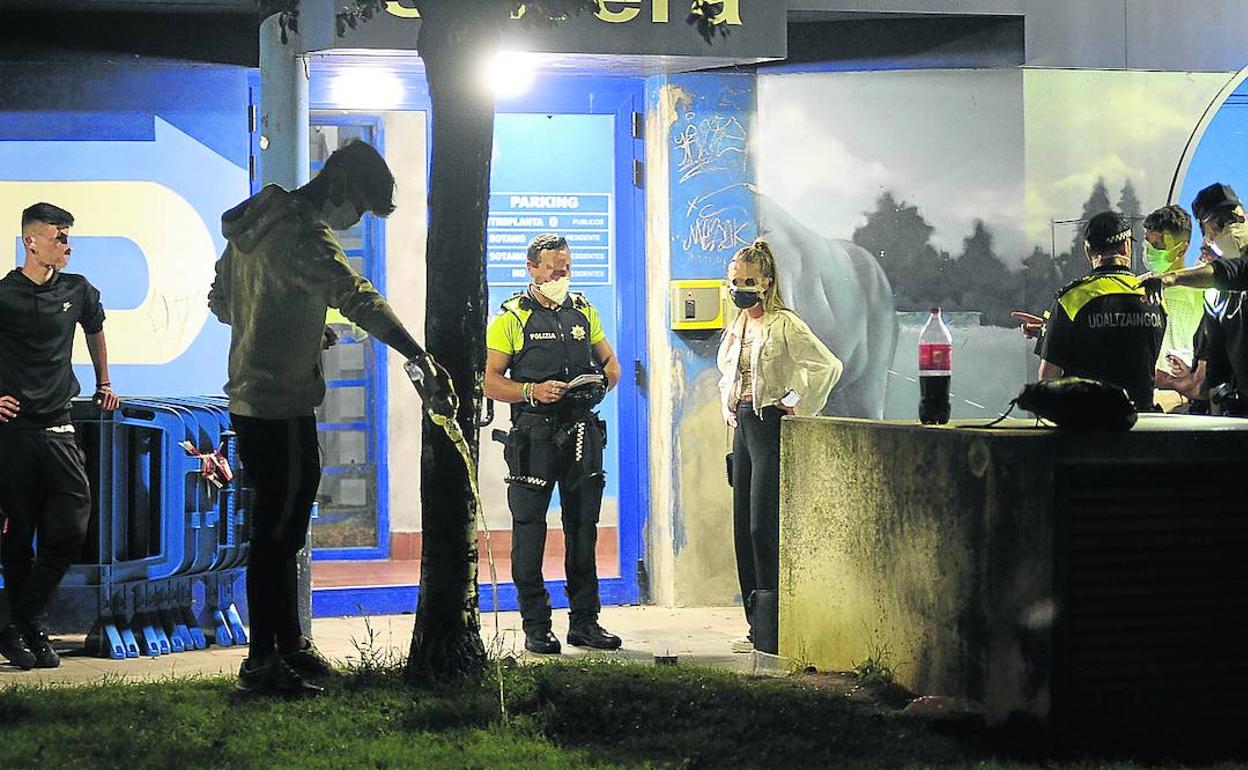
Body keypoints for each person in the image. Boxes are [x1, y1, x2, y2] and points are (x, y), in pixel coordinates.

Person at [209, 139, 453, 694]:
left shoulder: (256, 224)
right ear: (341, 186)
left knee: (282, 529)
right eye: (361, 207)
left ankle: (290, 647)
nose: (355, 220)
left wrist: (297, 326)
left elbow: (223, 301)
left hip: (255, 400)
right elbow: (357, 296)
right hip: (280, 405)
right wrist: (417, 354)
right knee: (277, 534)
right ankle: (262, 661)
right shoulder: (306, 234)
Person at [483, 233, 622, 655]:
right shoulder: (511, 317)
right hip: (534, 436)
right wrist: (531, 392)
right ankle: (536, 626)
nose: (559, 276)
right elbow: (489, 381)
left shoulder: (583, 311)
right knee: (530, 532)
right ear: (532, 269)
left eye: (565, 268)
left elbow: (611, 364)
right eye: (552, 269)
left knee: (583, 531)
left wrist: (600, 385)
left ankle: (585, 622)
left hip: (581, 435)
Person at [0, 202, 121, 670]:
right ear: (32, 241)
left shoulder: (78, 290)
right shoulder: (4, 294)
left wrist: (104, 383)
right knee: (19, 533)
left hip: (59, 426)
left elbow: (95, 330)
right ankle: (31, 630)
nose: (66, 245)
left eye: (68, 236)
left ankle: (18, 621)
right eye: (58, 236)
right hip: (12, 433)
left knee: (71, 524)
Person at [716, 239, 842, 654]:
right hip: (744, 424)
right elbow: (730, 373)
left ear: (767, 282)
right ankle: (755, 621)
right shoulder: (737, 325)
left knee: (761, 524)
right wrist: (729, 404)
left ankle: (774, 618)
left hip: (770, 425)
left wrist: (795, 402)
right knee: (740, 525)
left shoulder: (784, 323)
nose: (741, 289)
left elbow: (826, 366)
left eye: (749, 281)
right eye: (735, 281)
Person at [1036, 210, 1166, 412]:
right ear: (1126, 247)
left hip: (1088, 429)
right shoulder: (1154, 297)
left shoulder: (1072, 300)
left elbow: (1047, 377)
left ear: (1089, 252)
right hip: (1141, 427)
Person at [1142, 184, 1248, 415]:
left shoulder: (1219, 283)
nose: (1230, 230)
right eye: (1218, 225)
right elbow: (1209, 379)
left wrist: (1170, 278)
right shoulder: (1215, 298)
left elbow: (1231, 271)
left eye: (1236, 220)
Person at [1139, 205, 1203, 408]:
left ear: (1182, 249)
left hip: (1187, 401)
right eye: (1147, 244)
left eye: (1158, 246)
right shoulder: (1135, 289)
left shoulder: (1203, 294)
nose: (1150, 252)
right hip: (1145, 399)